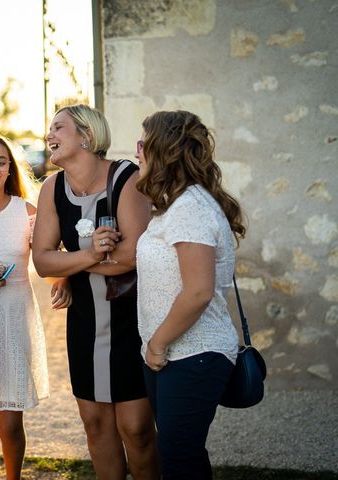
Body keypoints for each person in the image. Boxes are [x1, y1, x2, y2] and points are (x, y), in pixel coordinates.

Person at [32, 104, 160, 479]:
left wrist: (69, 263)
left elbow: (132, 255)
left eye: (58, 128)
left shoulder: (127, 177)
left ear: (86, 135)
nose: (49, 135)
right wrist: (91, 254)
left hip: (130, 318)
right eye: (49, 129)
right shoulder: (52, 188)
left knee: (136, 428)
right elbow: (41, 262)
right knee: (95, 424)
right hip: (84, 320)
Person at [135, 110, 246, 479]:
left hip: (194, 352)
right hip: (173, 353)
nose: (137, 150)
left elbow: (198, 291)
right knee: (181, 455)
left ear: (163, 150)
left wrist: (156, 345)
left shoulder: (190, 208)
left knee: (178, 457)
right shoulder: (177, 204)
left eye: (143, 142)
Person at [0, 134, 71, 479]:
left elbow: (49, 259)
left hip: (13, 319)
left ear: (10, 167)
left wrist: (64, 280)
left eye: (0, 161)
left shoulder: (27, 211)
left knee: (9, 421)